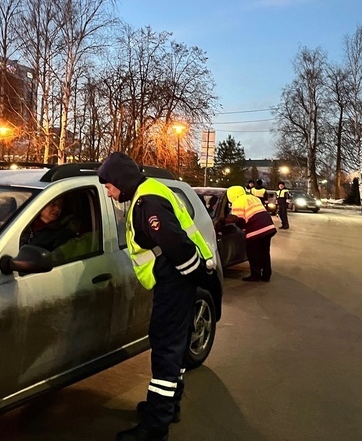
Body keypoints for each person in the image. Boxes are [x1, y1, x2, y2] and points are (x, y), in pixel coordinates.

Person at [98, 152, 217, 441]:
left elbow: (177, 245)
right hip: (177, 281)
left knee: (165, 348)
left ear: (121, 181)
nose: (107, 190)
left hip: (175, 281)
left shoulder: (147, 202)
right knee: (173, 347)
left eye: (108, 184)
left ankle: (155, 425)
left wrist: (190, 277)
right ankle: (168, 405)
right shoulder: (149, 193)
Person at [225, 185, 277, 282]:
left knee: (253, 253)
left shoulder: (237, 202)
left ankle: (255, 275)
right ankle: (266, 275)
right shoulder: (254, 198)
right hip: (269, 227)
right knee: (265, 252)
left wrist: (243, 230)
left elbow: (239, 220)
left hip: (256, 230)